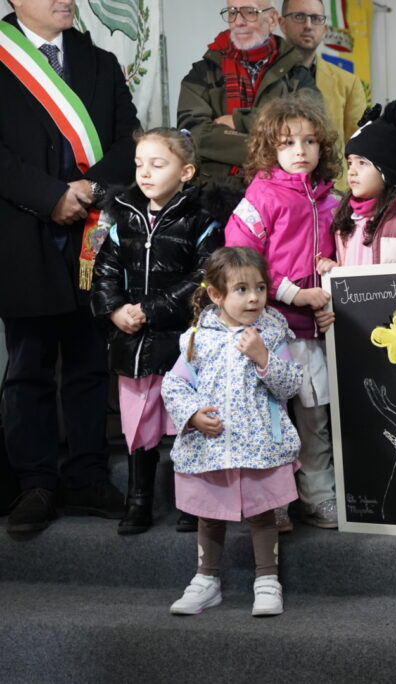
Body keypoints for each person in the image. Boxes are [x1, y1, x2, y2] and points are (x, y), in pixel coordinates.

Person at [1, 0, 139, 535]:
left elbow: (129, 139)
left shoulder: (99, 61)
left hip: (93, 230)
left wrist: (88, 190)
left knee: (87, 360)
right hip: (20, 231)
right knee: (28, 365)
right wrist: (48, 196)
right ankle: (34, 481)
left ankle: (86, 474)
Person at [91, 128, 230, 535]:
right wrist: (115, 311)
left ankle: (192, 502)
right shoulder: (121, 216)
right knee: (138, 425)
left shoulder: (201, 220)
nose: (145, 173)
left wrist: (150, 310)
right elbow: (105, 271)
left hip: (181, 344)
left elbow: (204, 277)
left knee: (185, 420)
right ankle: (139, 501)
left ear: (186, 171)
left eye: (157, 164)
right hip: (132, 342)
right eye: (139, 164)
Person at [162, 246, 303, 617]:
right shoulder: (198, 336)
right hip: (212, 445)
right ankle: (206, 581)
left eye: (260, 287)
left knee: (262, 512)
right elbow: (174, 386)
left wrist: (263, 357)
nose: (254, 297)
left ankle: (267, 580)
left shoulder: (271, 333)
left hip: (260, 443)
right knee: (209, 513)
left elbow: (290, 385)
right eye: (241, 289)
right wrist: (192, 415)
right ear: (216, 294)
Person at [224, 93, 341, 531]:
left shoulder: (332, 201)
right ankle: (273, 500)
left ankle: (318, 495)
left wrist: (332, 287)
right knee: (271, 418)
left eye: (310, 142)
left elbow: (341, 260)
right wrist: (293, 294)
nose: (300, 151)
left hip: (313, 333)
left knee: (315, 419)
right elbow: (240, 262)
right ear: (269, 148)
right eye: (288, 142)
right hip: (268, 332)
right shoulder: (260, 197)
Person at [177, 0, 319, 188]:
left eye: (250, 12)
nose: (238, 21)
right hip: (212, 192)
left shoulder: (297, 75)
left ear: (273, 19)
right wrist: (275, 146)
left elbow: (310, 128)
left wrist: (239, 120)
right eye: (232, 12)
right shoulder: (203, 72)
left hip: (282, 193)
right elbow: (193, 135)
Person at [325, 101, 396, 266]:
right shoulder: (345, 219)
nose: (352, 171)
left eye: (362, 163)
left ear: (388, 170)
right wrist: (334, 268)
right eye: (350, 163)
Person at [278, 0, 367, 191]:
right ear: (282, 24)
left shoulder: (347, 83)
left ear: (324, 28)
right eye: (299, 17)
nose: (308, 25)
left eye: (316, 18)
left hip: (333, 193)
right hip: (276, 192)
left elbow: (358, 148)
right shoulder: (265, 77)